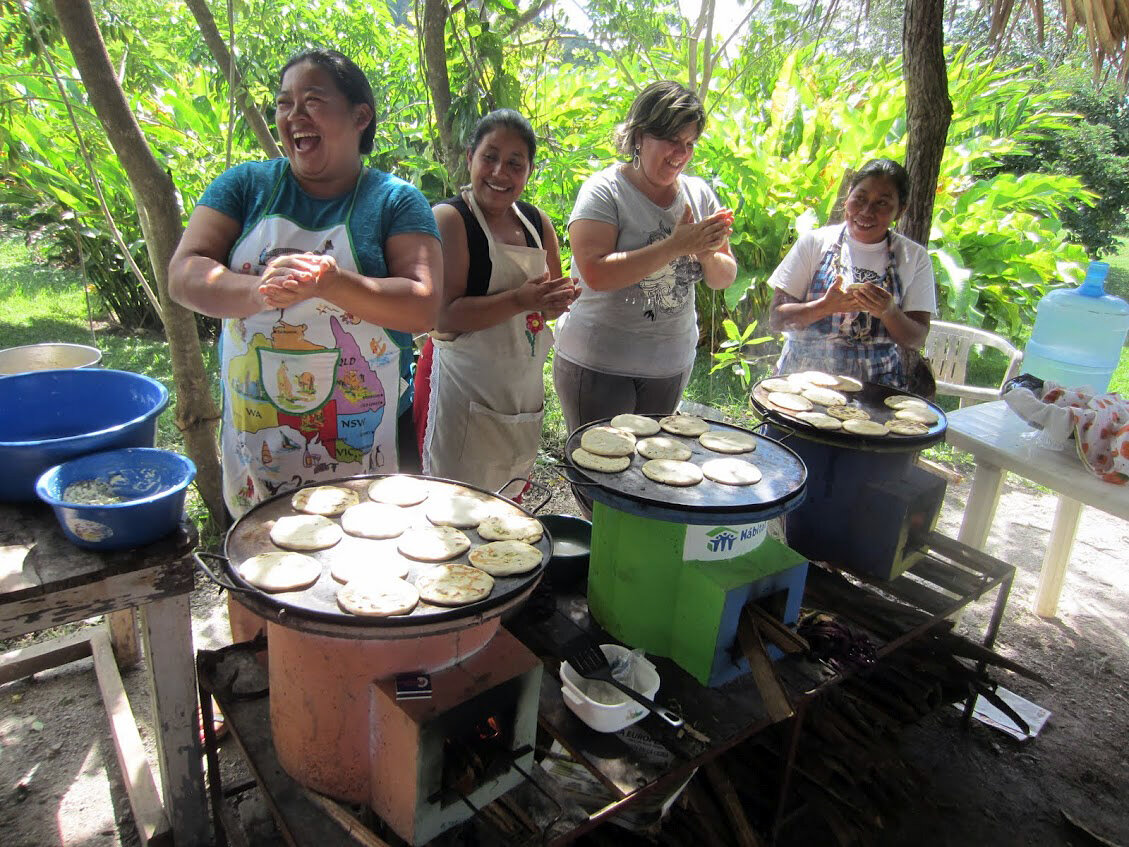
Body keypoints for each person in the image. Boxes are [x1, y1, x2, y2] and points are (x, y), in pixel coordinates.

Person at [169, 48, 442, 520]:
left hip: (362, 438)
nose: (293, 115)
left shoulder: (396, 202)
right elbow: (184, 273)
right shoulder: (246, 186)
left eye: (312, 100)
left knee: (369, 569)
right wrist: (258, 292)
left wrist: (330, 283)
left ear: (360, 117)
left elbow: (423, 306)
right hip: (259, 433)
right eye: (283, 103)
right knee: (259, 567)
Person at [552, 81, 737, 442]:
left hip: (670, 363)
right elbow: (595, 273)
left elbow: (723, 277)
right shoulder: (605, 190)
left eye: (689, 144)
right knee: (600, 470)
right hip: (599, 362)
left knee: (651, 474)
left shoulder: (699, 194)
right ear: (638, 136)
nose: (680, 154)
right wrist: (674, 245)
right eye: (671, 141)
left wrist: (704, 252)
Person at [415, 110, 577, 493]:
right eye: (490, 157)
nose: (500, 173)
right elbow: (443, 316)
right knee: (448, 509)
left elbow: (547, 302)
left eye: (514, 164)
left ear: (529, 171)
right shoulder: (451, 219)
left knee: (504, 520)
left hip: (519, 397)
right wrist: (521, 299)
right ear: (470, 157)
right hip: (459, 393)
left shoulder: (538, 223)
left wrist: (557, 301)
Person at [767, 158, 934, 389]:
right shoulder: (814, 244)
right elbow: (778, 319)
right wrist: (824, 307)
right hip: (802, 380)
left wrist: (889, 312)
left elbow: (916, 339)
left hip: (876, 389)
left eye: (882, 203)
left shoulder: (913, 258)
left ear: (900, 210)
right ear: (848, 197)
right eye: (860, 199)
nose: (866, 212)